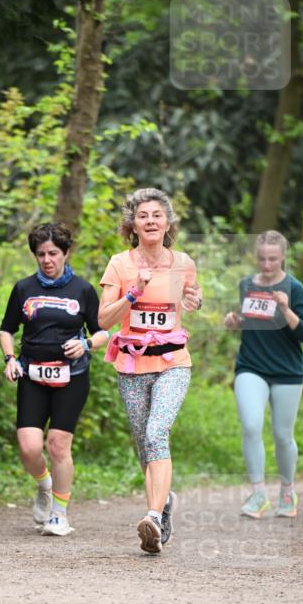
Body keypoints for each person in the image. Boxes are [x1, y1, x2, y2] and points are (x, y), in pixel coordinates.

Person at [98, 189, 202, 555]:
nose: (151, 221)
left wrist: (195, 300)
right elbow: (103, 318)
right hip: (131, 364)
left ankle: (153, 517)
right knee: (146, 446)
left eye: (157, 215)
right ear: (133, 224)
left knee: (158, 432)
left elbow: (191, 297)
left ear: (168, 222)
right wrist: (133, 293)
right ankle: (165, 503)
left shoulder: (182, 262)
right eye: (143, 215)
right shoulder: (119, 264)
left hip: (174, 362)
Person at [0, 222, 109, 537]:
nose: (47, 260)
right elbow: (7, 329)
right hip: (32, 374)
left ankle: (59, 514)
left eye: (53, 253)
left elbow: (103, 332)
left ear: (66, 253)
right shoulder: (23, 288)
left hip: (72, 376)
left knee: (58, 445)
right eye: (41, 254)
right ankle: (44, 485)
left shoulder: (83, 290)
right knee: (29, 447)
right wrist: (9, 359)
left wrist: (86, 344)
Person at [224, 230, 303, 519]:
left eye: (272, 259)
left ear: (283, 257)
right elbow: (249, 320)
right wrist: (234, 321)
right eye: (262, 258)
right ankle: (258, 494)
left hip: (287, 371)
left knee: (282, 435)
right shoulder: (246, 285)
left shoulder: (294, 288)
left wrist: (286, 308)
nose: (266, 264)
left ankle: (287, 491)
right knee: (251, 426)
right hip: (251, 366)